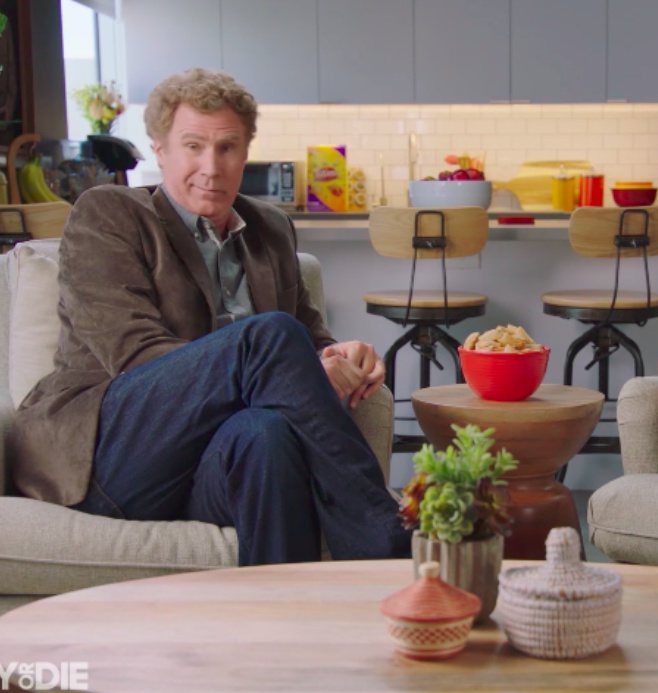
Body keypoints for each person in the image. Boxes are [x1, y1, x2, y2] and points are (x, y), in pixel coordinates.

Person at [8, 68, 410, 565]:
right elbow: (135, 355)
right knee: (267, 339)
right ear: (160, 149)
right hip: (111, 458)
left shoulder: (271, 228)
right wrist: (287, 366)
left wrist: (339, 356)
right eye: (193, 146)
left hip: (209, 467)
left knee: (267, 434)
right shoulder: (109, 214)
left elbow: (308, 340)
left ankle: (286, 605)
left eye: (227, 147)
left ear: (245, 152)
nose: (212, 167)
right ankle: (383, 538)